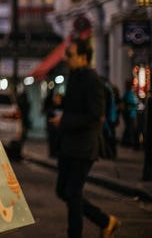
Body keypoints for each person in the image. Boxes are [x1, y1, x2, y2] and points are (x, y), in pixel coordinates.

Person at [49, 37, 120, 237]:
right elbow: (79, 107)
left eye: (69, 55)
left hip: (83, 147)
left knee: (72, 193)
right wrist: (62, 103)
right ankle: (106, 221)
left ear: (83, 57)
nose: (65, 58)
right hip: (69, 144)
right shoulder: (76, 75)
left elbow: (96, 115)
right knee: (63, 191)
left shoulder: (92, 79)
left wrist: (64, 120)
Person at [43, 90, 63, 158]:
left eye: (58, 98)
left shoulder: (62, 106)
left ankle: (57, 152)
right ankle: (52, 153)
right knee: (52, 140)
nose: (56, 99)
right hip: (52, 127)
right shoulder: (51, 106)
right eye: (55, 98)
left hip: (60, 127)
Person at [120, 78, 139, 148]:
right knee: (130, 128)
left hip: (130, 114)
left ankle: (126, 142)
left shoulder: (128, 93)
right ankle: (129, 142)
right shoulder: (129, 93)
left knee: (129, 128)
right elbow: (130, 103)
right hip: (130, 114)